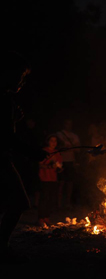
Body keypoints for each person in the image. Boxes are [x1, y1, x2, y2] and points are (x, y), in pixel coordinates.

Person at [0, 51, 48, 263]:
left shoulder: (7, 99)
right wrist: (33, 153)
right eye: (20, 75)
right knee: (19, 202)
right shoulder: (4, 99)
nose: (22, 81)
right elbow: (5, 137)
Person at [37, 134, 63, 227]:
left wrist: (59, 168)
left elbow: (60, 166)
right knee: (44, 199)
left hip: (53, 178)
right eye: (51, 141)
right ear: (48, 141)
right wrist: (49, 165)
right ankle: (41, 218)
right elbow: (39, 164)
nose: (53, 143)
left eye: (55, 141)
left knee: (50, 199)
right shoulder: (44, 151)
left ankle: (47, 217)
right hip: (44, 178)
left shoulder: (57, 152)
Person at [56, 118, 80, 209]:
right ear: (64, 124)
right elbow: (58, 147)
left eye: (70, 124)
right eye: (67, 124)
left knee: (70, 183)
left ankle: (67, 203)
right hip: (61, 161)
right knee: (61, 183)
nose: (68, 126)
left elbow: (78, 149)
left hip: (70, 161)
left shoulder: (74, 136)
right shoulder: (59, 134)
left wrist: (69, 147)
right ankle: (58, 204)